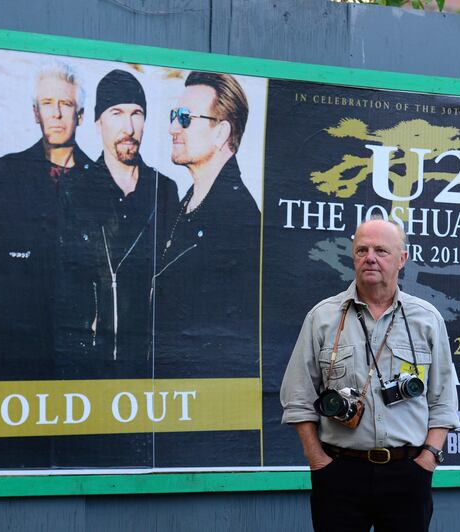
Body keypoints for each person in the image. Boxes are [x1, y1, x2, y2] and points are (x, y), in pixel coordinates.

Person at [280, 218, 460, 532]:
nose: (370, 257)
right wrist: (319, 463)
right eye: (362, 250)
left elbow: (443, 402)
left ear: (402, 259)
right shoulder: (323, 317)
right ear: (353, 256)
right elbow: (297, 399)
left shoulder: (427, 319)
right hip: (339, 474)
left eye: (381, 250)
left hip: (408, 473)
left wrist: (427, 460)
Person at [151, 71, 261, 468]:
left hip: (203, 423)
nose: (171, 128)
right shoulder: (186, 204)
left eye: (184, 118)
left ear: (221, 133)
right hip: (169, 408)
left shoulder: (238, 219)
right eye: (172, 115)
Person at [0, 61, 95, 378]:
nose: (57, 114)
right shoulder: (7, 171)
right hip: (14, 343)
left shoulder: (100, 180)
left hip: (79, 342)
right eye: (48, 104)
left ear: (79, 115)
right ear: (36, 112)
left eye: (66, 104)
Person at [88, 69, 178, 374]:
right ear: (98, 121)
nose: (129, 127)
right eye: (116, 112)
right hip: (92, 363)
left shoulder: (164, 190)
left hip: (150, 363)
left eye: (136, 113)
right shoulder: (76, 188)